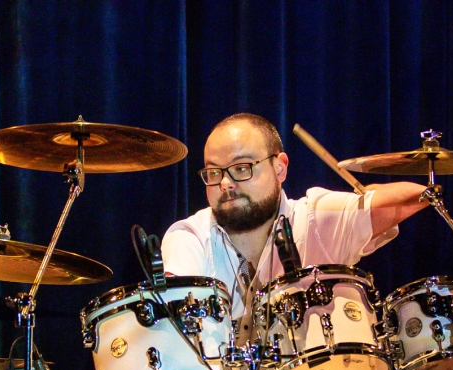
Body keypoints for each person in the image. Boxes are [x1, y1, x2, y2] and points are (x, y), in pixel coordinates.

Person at [161, 112, 428, 336]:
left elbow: (418, 196)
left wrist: (367, 194)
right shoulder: (190, 236)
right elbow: (176, 314)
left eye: (241, 168)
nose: (225, 183)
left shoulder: (314, 218)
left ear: (280, 168)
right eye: (214, 172)